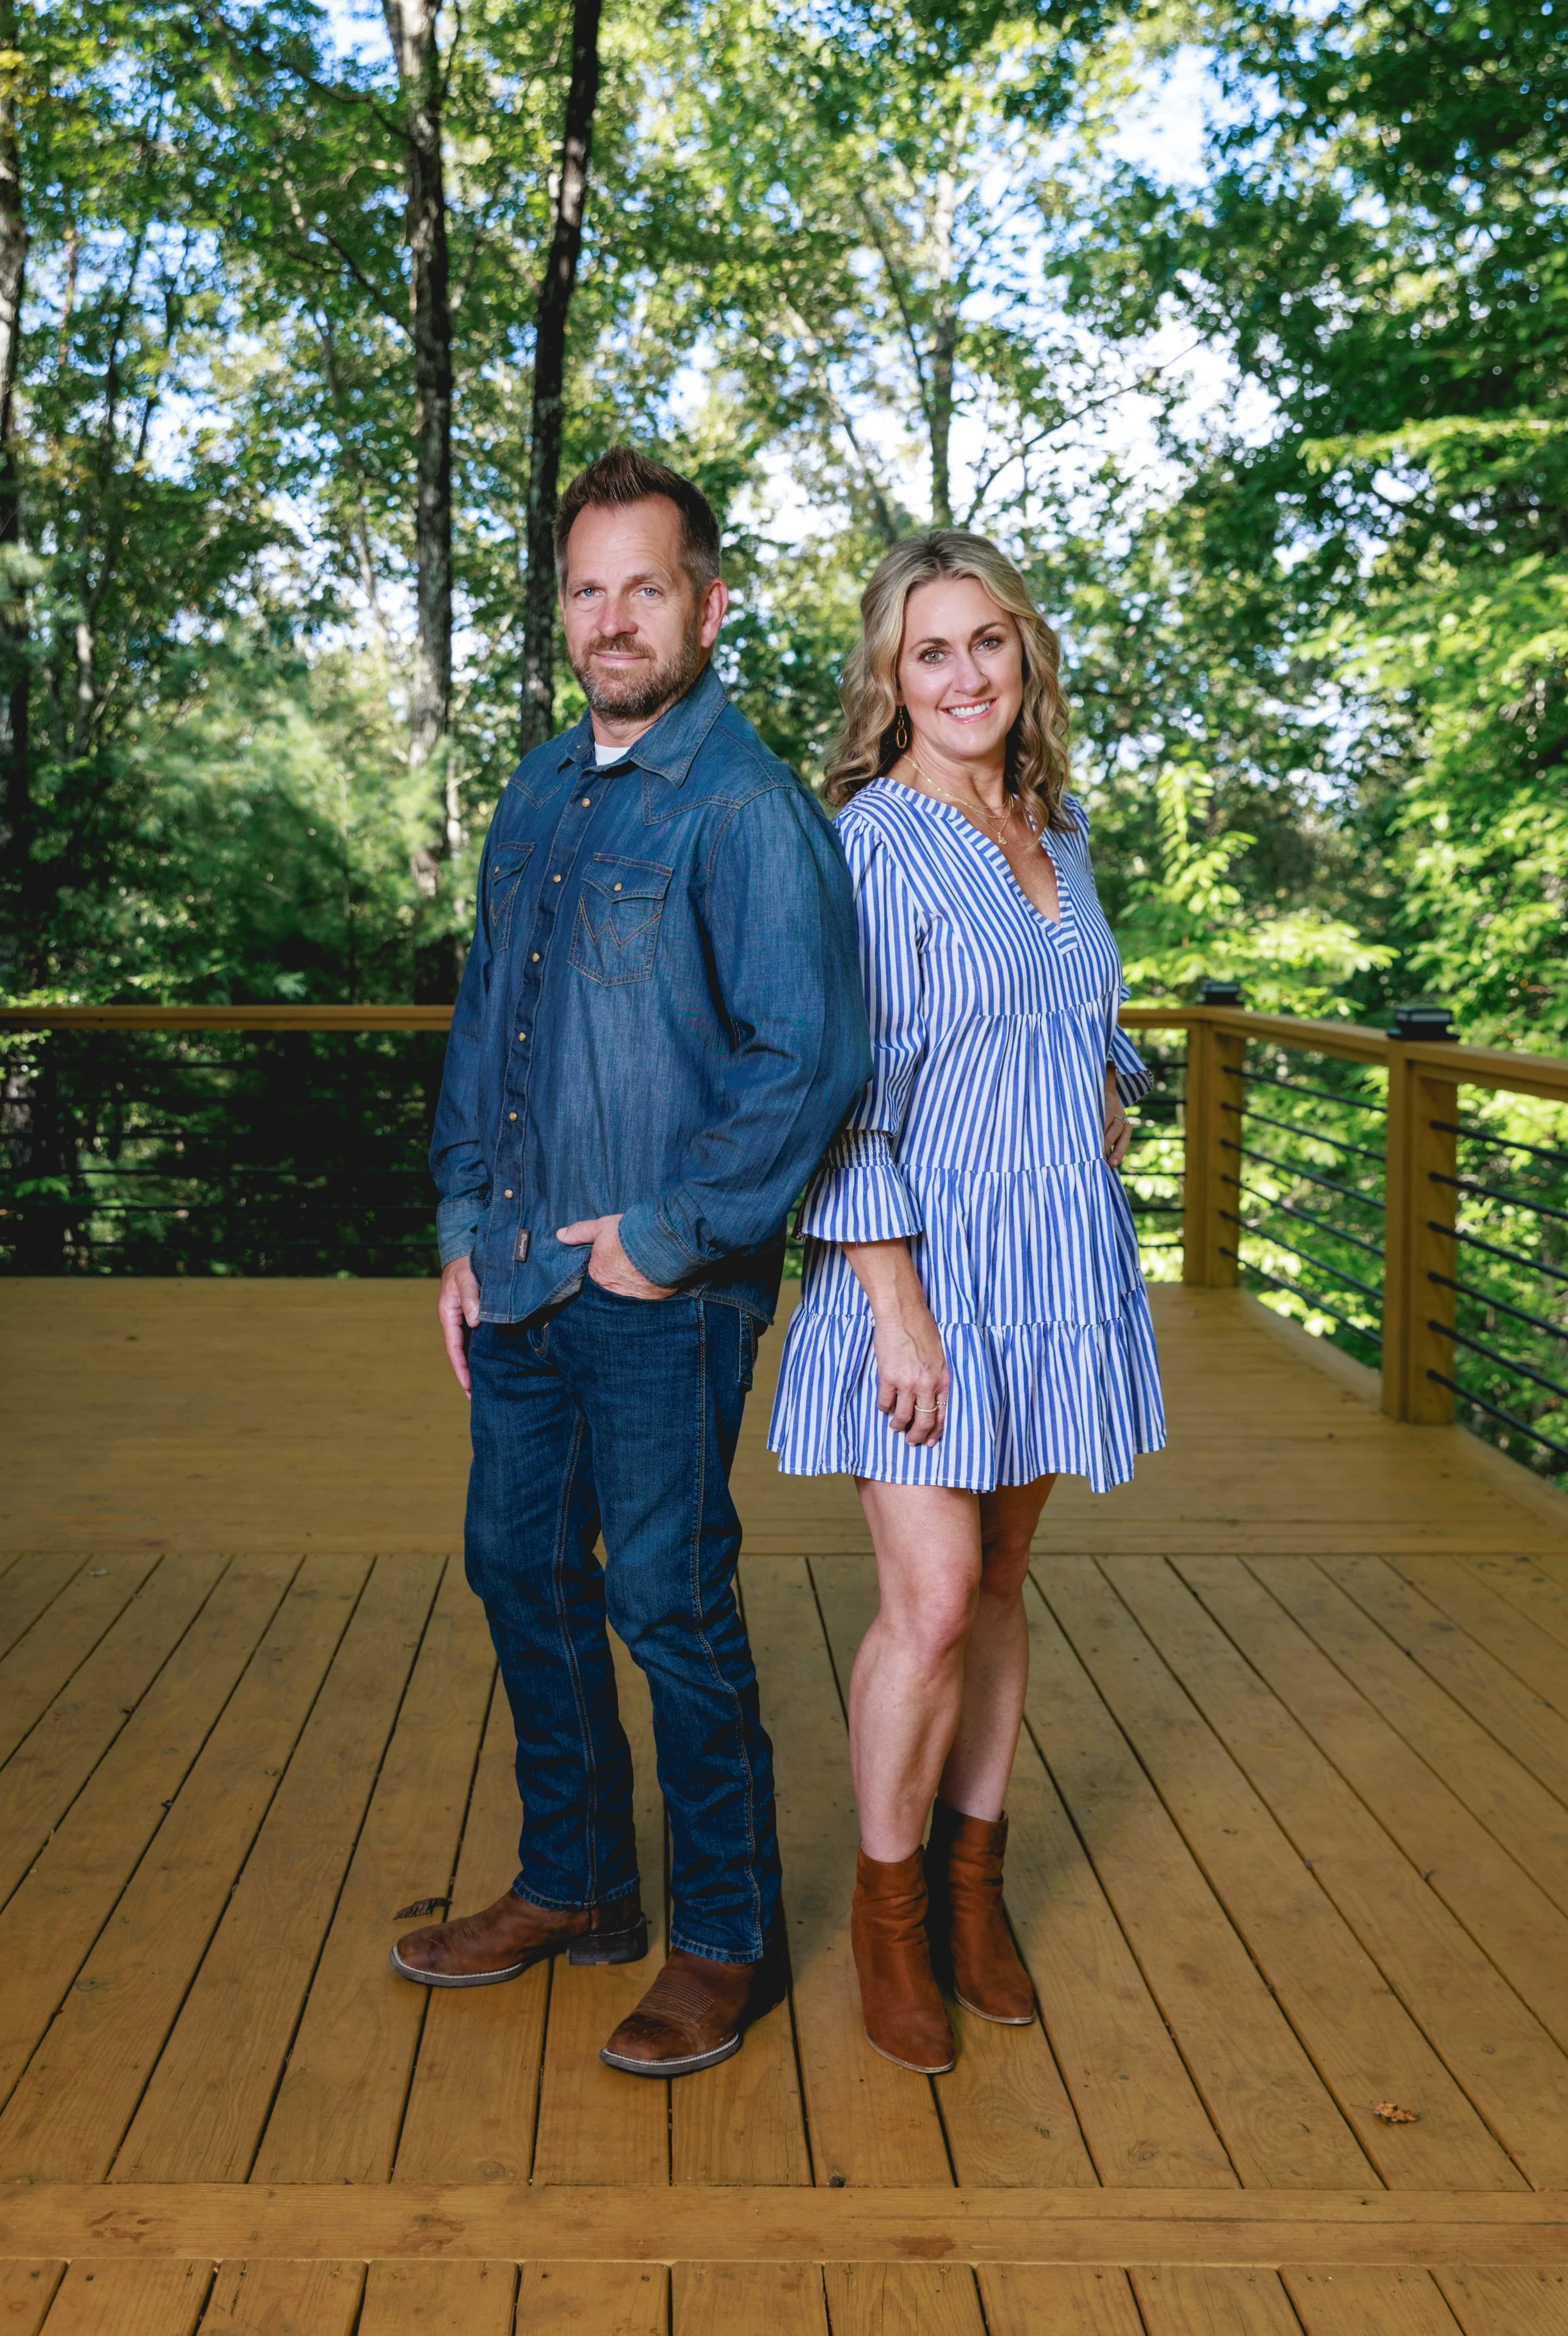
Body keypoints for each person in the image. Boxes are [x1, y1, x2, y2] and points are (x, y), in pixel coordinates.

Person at [394, 447, 870, 2080]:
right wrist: (462, 1231)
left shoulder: (743, 809)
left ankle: (721, 1936)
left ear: (705, 603)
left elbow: (809, 1058)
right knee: (520, 1575)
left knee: (666, 1602)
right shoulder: (537, 789)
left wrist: (666, 1243)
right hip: (517, 1277)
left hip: (660, 1294)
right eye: (585, 590)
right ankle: (574, 1883)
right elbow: (485, 1035)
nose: (611, 619)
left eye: (642, 587)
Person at [769, 530, 1164, 2075]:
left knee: (999, 1586)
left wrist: (1114, 1090)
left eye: (985, 642)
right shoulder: (867, 847)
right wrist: (894, 1305)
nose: (962, 675)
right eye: (927, 651)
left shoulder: (1051, 831)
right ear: (888, 678)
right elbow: (841, 1097)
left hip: (1056, 1264)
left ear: (1023, 656)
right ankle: (886, 1918)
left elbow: (1079, 1015)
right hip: (921, 1272)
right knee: (928, 1602)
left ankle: (972, 1887)